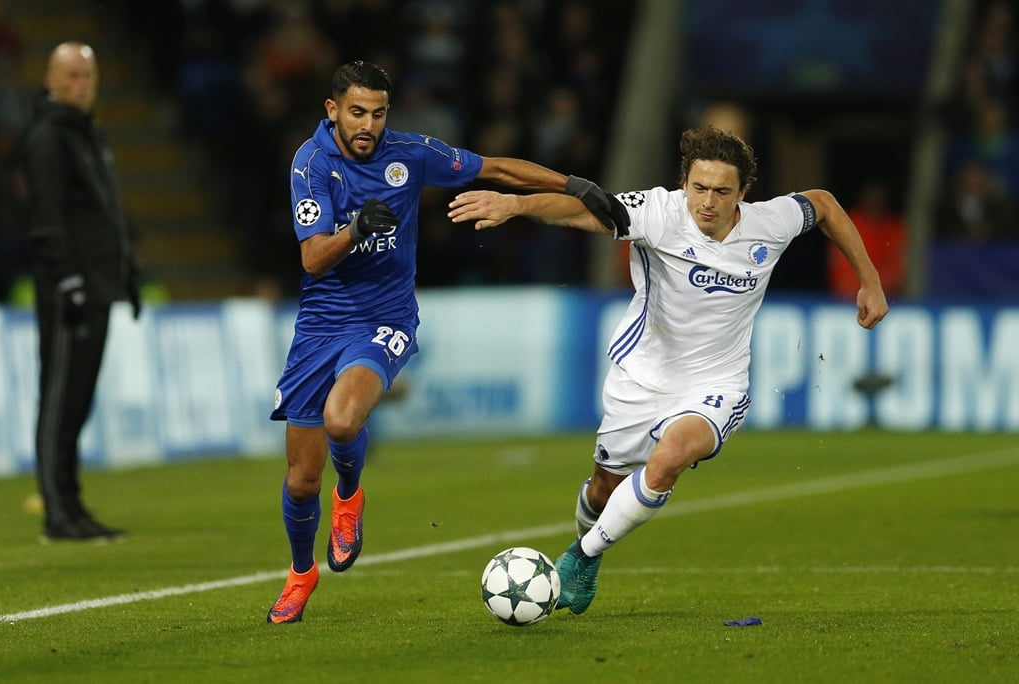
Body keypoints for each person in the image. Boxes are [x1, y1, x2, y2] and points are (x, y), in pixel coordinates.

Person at [448, 125, 889, 614]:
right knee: (602, 488)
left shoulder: (771, 222)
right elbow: (584, 210)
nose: (707, 202)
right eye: (699, 188)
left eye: (722, 191)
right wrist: (517, 206)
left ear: (744, 193)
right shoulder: (657, 212)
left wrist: (869, 281)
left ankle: (580, 557)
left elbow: (824, 203)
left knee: (671, 456)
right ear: (684, 184)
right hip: (640, 377)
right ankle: (592, 546)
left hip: (718, 383)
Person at [266, 60, 571, 624]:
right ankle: (300, 572)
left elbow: (496, 168)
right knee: (302, 478)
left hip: (386, 317)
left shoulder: (408, 153)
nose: (368, 125)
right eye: (357, 112)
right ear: (332, 110)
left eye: (378, 114)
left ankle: (350, 495)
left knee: (341, 421)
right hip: (320, 324)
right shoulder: (309, 164)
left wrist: (574, 185)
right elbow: (311, 259)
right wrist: (356, 228)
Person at [20, 42, 141, 542]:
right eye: (70, 76)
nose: (80, 85)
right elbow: (47, 218)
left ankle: (72, 505)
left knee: (78, 401)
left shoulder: (87, 134)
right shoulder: (49, 136)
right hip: (68, 287)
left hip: (96, 283)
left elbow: (104, 214)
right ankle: (57, 513)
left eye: (87, 76)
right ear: (50, 80)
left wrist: (125, 272)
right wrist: (67, 279)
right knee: (60, 400)